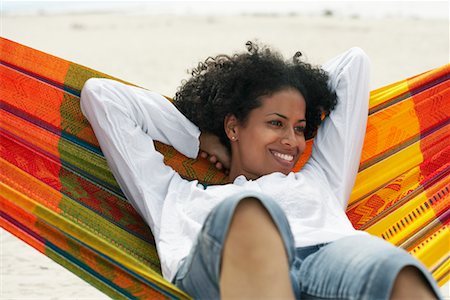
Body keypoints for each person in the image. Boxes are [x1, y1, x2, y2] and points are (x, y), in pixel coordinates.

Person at [80, 42, 442, 299]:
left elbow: (353, 65)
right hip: (226, 266)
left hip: (327, 257)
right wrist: (201, 137)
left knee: (394, 273)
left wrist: (293, 86)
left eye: (300, 128)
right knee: (250, 214)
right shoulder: (172, 194)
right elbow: (102, 97)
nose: (292, 140)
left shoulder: (321, 179)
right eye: (276, 123)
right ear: (234, 126)